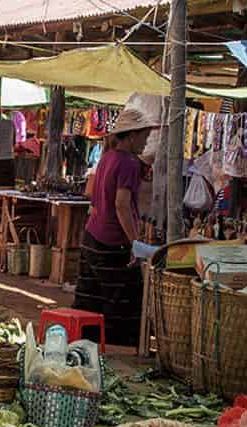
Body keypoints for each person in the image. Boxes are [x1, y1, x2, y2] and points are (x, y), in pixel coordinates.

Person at [73, 109, 155, 347]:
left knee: (90, 297)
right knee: (124, 298)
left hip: (92, 235)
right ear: (131, 136)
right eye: (145, 136)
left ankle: (84, 343)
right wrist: (135, 243)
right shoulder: (128, 163)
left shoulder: (107, 157)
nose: (146, 141)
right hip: (111, 241)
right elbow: (121, 205)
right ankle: (120, 349)